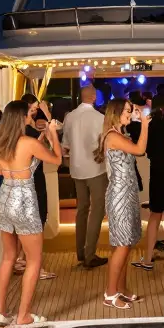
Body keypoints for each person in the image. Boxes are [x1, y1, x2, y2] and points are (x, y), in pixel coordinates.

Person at [0, 101, 62, 326]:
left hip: (4, 198)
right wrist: (52, 136)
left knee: (9, 257)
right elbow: (57, 160)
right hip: (25, 202)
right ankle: (24, 315)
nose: (31, 117)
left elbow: (1, 170)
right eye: (29, 115)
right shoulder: (28, 142)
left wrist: (40, 140)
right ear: (20, 117)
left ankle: (1, 312)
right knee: (34, 260)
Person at [97, 99, 149, 309]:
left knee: (127, 243)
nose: (130, 114)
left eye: (131, 111)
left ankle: (122, 288)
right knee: (122, 245)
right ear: (117, 112)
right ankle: (110, 293)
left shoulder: (119, 134)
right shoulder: (112, 136)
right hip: (119, 194)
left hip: (127, 193)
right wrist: (145, 124)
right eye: (128, 111)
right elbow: (139, 149)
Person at [134, 92, 164, 271]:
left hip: (156, 173)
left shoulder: (151, 125)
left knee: (155, 215)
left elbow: (145, 150)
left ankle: (147, 258)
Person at [62, 86, 109, 269]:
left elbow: (65, 144)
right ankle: (90, 254)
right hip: (96, 168)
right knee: (97, 209)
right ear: (95, 97)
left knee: (81, 209)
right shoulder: (100, 118)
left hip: (76, 168)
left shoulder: (70, 116)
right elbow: (104, 142)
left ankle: (80, 252)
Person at [18, 93, 56, 280]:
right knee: (36, 222)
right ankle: (35, 266)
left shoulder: (17, 133)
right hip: (33, 181)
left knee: (25, 224)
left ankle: (21, 259)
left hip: (20, 184)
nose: (35, 112)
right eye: (33, 109)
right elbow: (53, 154)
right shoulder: (28, 133)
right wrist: (48, 117)